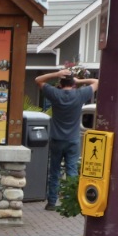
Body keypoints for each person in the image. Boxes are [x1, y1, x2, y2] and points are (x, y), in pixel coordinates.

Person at [35, 68, 99, 210]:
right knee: (72, 170)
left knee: (54, 171)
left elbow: (38, 80)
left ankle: (52, 202)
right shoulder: (80, 94)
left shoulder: (55, 94)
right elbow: (96, 82)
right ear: (73, 83)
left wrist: (56, 74)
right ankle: (70, 202)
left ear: (60, 83)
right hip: (73, 140)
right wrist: (80, 80)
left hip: (57, 139)